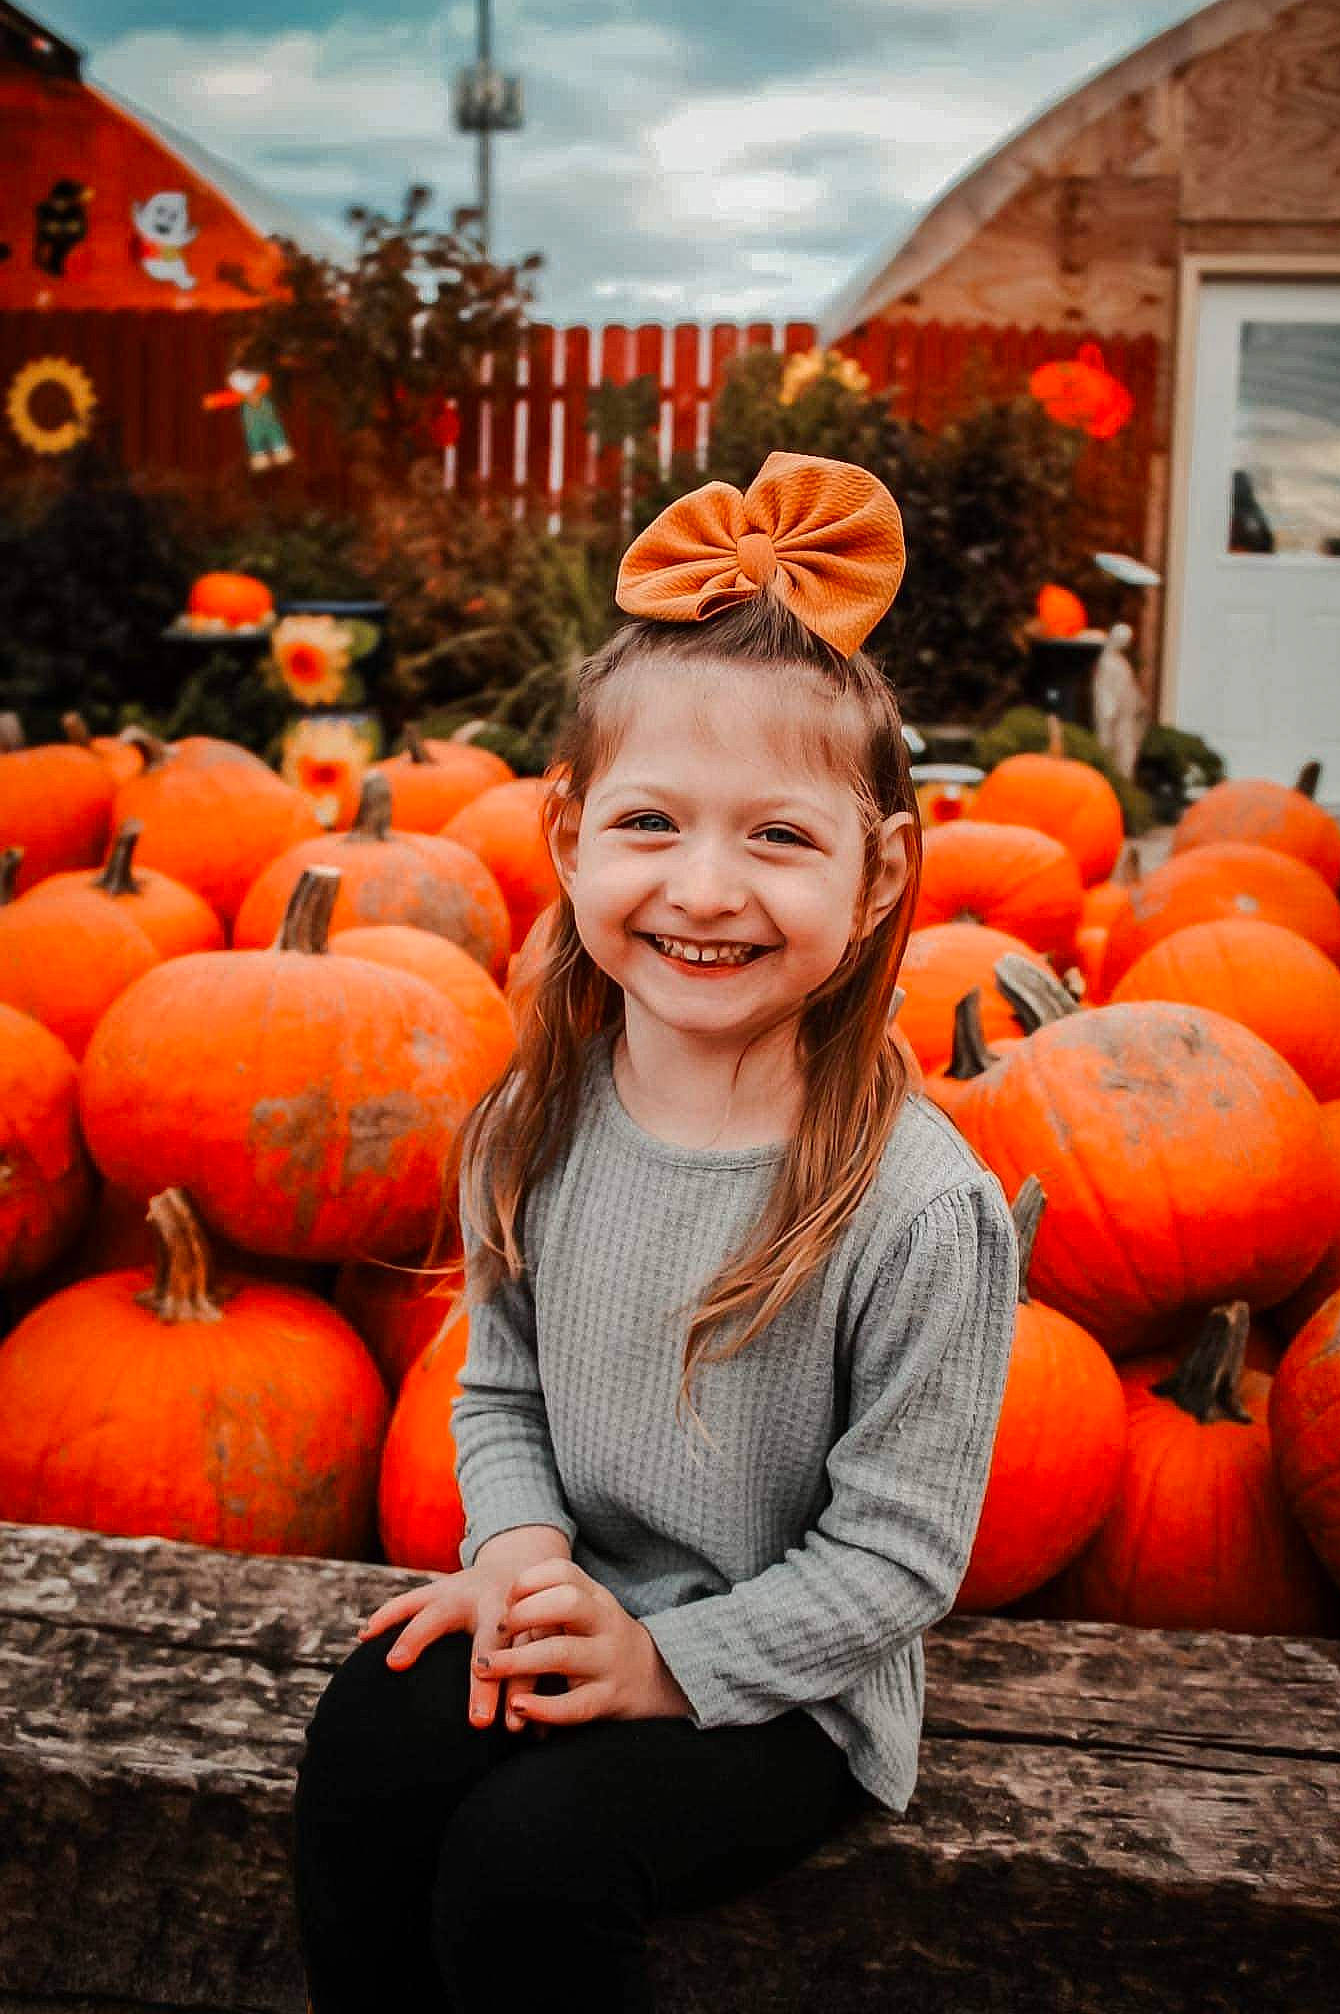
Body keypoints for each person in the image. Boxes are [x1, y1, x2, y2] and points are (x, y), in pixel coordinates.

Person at [291, 451, 1019, 2014]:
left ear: (877, 871)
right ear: (566, 840)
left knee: (533, 1861)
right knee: (368, 1730)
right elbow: (497, 1397)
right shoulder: (533, 1124)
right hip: (580, 1605)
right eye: (649, 824)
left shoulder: (914, 1202)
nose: (705, 887)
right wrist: (522, 1559)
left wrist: (663, 1668)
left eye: (777, 838)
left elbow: (898, 1559)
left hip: (781, 1690)